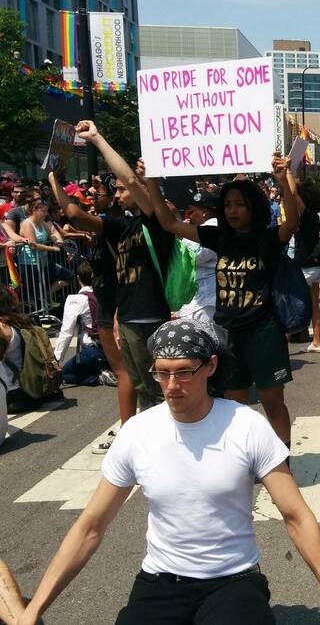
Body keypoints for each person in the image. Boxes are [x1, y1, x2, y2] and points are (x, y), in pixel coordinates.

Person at [9, 318, 320, 625]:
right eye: (162, 372)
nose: (171, 386)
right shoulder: (138, 431)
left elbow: (296, 515)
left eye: (183, 372)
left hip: (232, 579)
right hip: (161, 580)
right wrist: (34, 608)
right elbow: (90, 526)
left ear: (209, 366)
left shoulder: (246, 425)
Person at [147, 155, 299, 446]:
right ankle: (241, 456)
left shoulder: (266, 239)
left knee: (272, 403)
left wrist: (284, 182)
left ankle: (281, 460)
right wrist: (153, 180)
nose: (233, 210)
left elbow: (291, 222)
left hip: (264, 332)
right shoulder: (217, 237)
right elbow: (168, 223)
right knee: (235, 405)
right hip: (228, 333)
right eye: (228, 205)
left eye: (240, 204)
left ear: (253, 208)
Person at [52, 122, 172, 419]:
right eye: (115, 191)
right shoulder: (123, 226)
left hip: (150, 318)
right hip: (129, 318)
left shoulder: (156, 224)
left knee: (158, 391)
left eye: (120, 190)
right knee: (144, 389)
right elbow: (75, 216)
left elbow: (131, 179)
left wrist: (96, 138)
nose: (118, 195)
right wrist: (118, 317)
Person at [49, 169, 138, 453]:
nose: (93, 196)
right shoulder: (113, 225)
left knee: (125, 372)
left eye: (97, 193)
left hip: (114, 305)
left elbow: (74, 214)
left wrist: (54, 179)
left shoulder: (116, 224)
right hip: (112, 303)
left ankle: (128, 434)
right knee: (127, 371)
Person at [52, 261, 113, 387]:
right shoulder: (107, 293)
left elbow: (66, 332)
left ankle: (99, 377)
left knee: (66, 374)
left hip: (94, 349)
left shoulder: (76, 300)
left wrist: (56, 360)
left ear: (78, 278)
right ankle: (106, 368)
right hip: (112, 348)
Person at [175, 190, 219, 322]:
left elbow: (195, 256)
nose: (190, 216)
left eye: (191, 212)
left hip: (206, 301)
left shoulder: (214, 225)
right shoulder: (199, 229)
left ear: (204, 212)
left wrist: (182, 232)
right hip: (195, 300)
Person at [294, 177, 320, 352]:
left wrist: (288, 177)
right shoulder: (314, 215)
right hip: (316, 265)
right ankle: (316, 341)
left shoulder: (305, 215)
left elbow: (293, 193)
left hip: (304, 266)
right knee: (314, 304)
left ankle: (293, 336)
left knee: (292, 303)